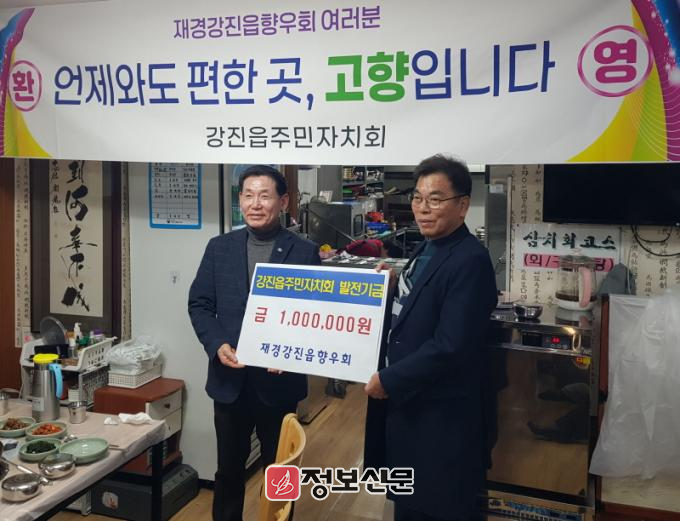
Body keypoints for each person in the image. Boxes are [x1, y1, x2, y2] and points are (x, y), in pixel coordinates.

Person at [363, 155, 498, 521]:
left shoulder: (470, 260)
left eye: (435, 199)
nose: (423, 209)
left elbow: (451, 346)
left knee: (437, 507)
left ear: (463, 205)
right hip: (412, 408)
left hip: (440, 418)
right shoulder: (429, 246)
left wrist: (389, 379)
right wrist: (395, 285)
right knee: (410, 505)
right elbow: (422, 304)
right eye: (418, 198)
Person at [188, 165, 320, 521]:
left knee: (280, 472)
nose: (255, 204)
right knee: (228, 470)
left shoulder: (303, 251)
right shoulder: (219, 248)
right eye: (247, 195)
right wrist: (217, 344)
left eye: (264, 195)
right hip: (229, 380)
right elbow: (200, 304)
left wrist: (290, 354)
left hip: (279, 382)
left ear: (284, 202)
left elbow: (314, 317)